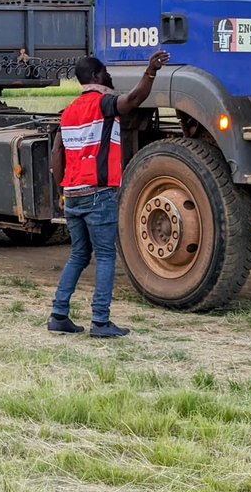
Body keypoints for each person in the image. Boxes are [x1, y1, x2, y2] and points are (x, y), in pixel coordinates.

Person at [47, 49, 170, 337]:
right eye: (105, 72)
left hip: (73, 194)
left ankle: (59, 314)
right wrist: (151, 71)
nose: (109, 75)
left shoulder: (68, 111)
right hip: (98, 194)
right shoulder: (103, 104)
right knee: (104, 256)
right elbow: (134, 100)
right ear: (94, 76)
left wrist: (61, 189)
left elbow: (56, 153)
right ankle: (100, 322)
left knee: (78, 254)